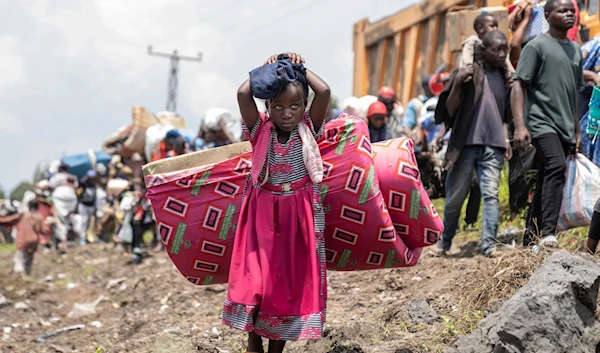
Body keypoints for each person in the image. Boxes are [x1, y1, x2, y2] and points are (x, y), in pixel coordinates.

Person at [222, 52, 329, 353]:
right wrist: (270, 70)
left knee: (285, 284)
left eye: (294, 105)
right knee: (256, 280)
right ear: (268, 107)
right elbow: (244, 93)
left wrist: (298, 69)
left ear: (303, 108)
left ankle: (275, 348)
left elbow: (324, 91)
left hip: (298, 216)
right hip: (262, 214)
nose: (286, 113)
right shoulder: (260, 130)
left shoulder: (308, 129)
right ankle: (253, 337)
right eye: (278, 106)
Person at [512, 0, 584, 250]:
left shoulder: (576, 50)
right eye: (562, 11)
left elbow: (574, 93)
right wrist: (520, 126)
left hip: (565, 125)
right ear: (547, 15)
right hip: (541, 122)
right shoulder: (537, 46)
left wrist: (576, 131)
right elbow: (519, 84)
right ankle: (548, 234)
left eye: (571, 11)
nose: (568, 15)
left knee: (546, 178)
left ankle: (528, 240)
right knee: (555, 167)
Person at [435, 30, 513, 257]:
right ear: (483, 50)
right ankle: (445, 241)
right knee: (455, 197)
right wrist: (458, 81)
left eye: (504, 50)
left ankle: (489, 245)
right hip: (466, 144)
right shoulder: (470, 72)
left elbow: (506, 115)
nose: (500, 54)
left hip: (494, 145)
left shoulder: (505, 77)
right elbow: (450, 109)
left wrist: (505, 138)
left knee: (491, 195)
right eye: (495, 49)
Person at [461, 14, 516, 84]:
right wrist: (468, 67)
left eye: (497, 27)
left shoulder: (496, 43)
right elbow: (467, 54)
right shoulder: (474, 40)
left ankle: (510, 74)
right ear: (480, 28)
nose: (495, 29)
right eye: (492, 26)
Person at [13, 199, 51, 279]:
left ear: (28, 206)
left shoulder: (23, 215)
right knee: (29, 259)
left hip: (23, 240)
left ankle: (22, 274)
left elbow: (10, 220)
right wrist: (49, 225)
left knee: (19, 258)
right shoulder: (39, 217)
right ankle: (27, 275)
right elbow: (44, 230)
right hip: (34, 241)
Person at [77, 170, 97, 245]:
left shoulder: (94, 185)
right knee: (84, 220)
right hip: (83, 204)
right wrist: (82, 187)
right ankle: (82, 237)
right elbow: (78, 194)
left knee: (89, 222)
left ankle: (87, 236)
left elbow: (95, 197)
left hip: (91, 205)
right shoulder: (83, 184)